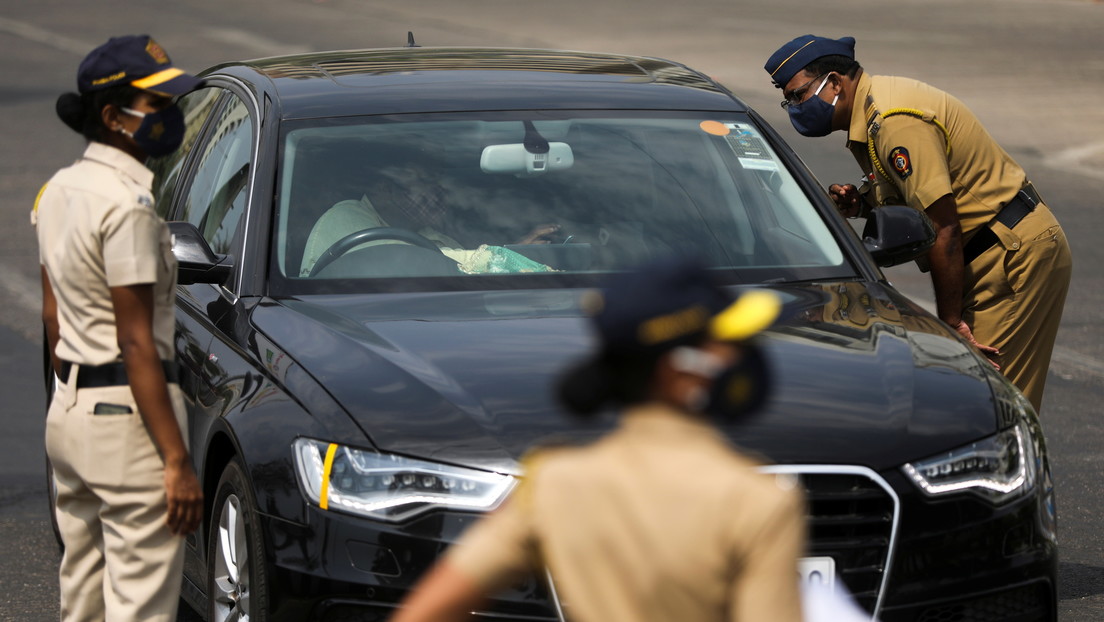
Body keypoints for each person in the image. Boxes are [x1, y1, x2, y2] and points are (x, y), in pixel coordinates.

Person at [389, 256, 806, 622]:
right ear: (679, 372)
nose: (743, 356)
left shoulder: (553, 485)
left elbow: (431, 608)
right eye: (729, 344)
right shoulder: (756, 501)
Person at [764, 34, 1072, 413]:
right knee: (978, 401)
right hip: (987, 251)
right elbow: (906, 192)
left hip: (1010, 256)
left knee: (994, 407)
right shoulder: (875, 115)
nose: (793, 107)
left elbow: (944, 229)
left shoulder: (895, 123)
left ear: (835, 83)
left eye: (798, 95)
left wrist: (951, 325)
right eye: (787, 99)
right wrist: (861, 203)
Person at [34, 35, 205, 621]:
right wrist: (176, 461)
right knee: (140, 606)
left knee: (81, 597)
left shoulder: (57, 191)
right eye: (155, 105)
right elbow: (136, 342)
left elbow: (53, 316)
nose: (171, 117)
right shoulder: (128, 206)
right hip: (128, 422)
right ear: (112, 117)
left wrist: (69, 398)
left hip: (70, 416)